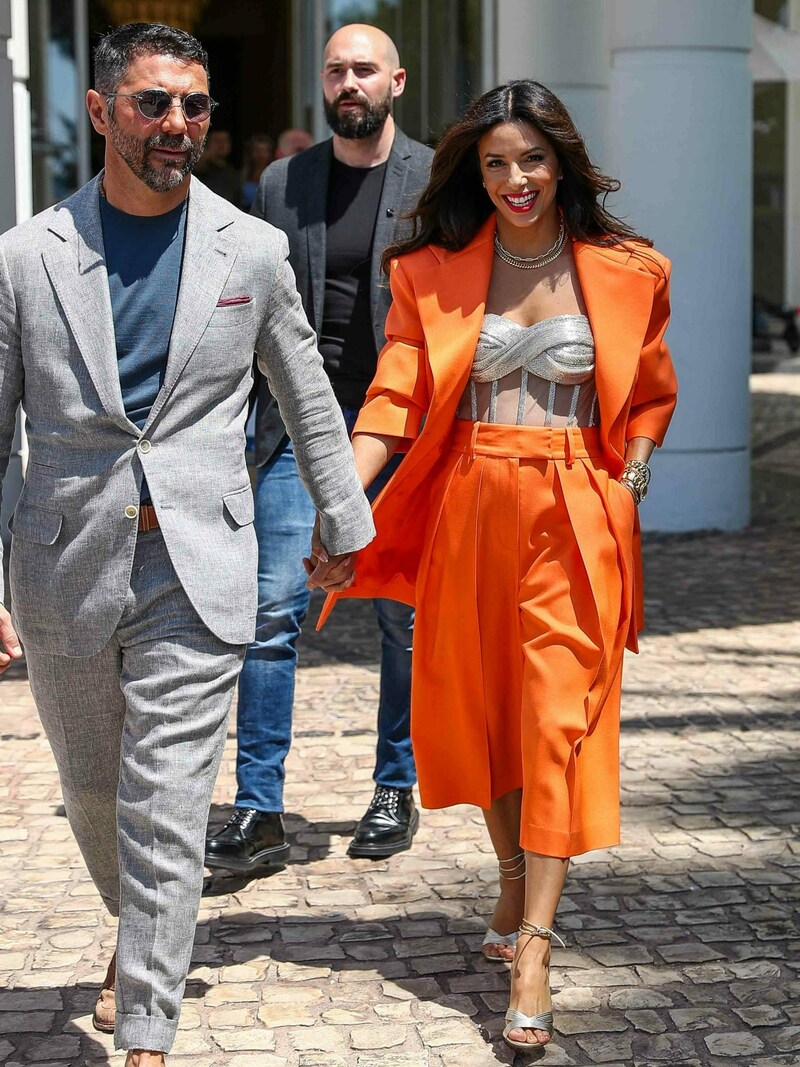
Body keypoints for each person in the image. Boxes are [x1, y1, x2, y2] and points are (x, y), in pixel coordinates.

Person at [0, 21, 373, 1067]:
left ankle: (150, 1032)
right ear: (102, 109)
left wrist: (345, 522)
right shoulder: (27, 258)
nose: (178, 125)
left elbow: (304, 390)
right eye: (156, 103)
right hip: (62, 562)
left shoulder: (248, 248)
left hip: (200, 565)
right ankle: (140, 928)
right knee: (94, 792)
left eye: (195, 106)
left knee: (166, 806)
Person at [313, 79, 677, 1052]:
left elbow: (647, 393)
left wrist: (631, 472)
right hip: (472, 502)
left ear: (561, 160)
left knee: (557, 715)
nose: (515, 179)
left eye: (531, 159)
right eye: (494, 163)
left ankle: (534, 945)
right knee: (489, 712)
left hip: (576, 508)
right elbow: (392, 395)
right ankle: (511, 876)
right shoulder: (429, 272)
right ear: (473, 171)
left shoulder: (626, 269)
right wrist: (344, 496)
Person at [204, 23, 432, 871]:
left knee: (401, 620)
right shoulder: (281, 181)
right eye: (336, 69)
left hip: (402, 428)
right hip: (303, 429)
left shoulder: (435, 176)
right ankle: (260, 807)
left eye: (364, 69)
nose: (349, 82)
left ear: (396, 82)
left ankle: (393, 787)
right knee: (270, 616)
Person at [195, 126, 241, 204]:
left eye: (225, 141)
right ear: (207, 143)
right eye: (217, 141)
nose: (221, 144)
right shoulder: (199, 169)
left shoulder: (233, 173)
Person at [240, 132, 274, 211]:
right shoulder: (241, 176)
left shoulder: (275, 176)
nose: (260, 154)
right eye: (257, 150)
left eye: (264, 151)